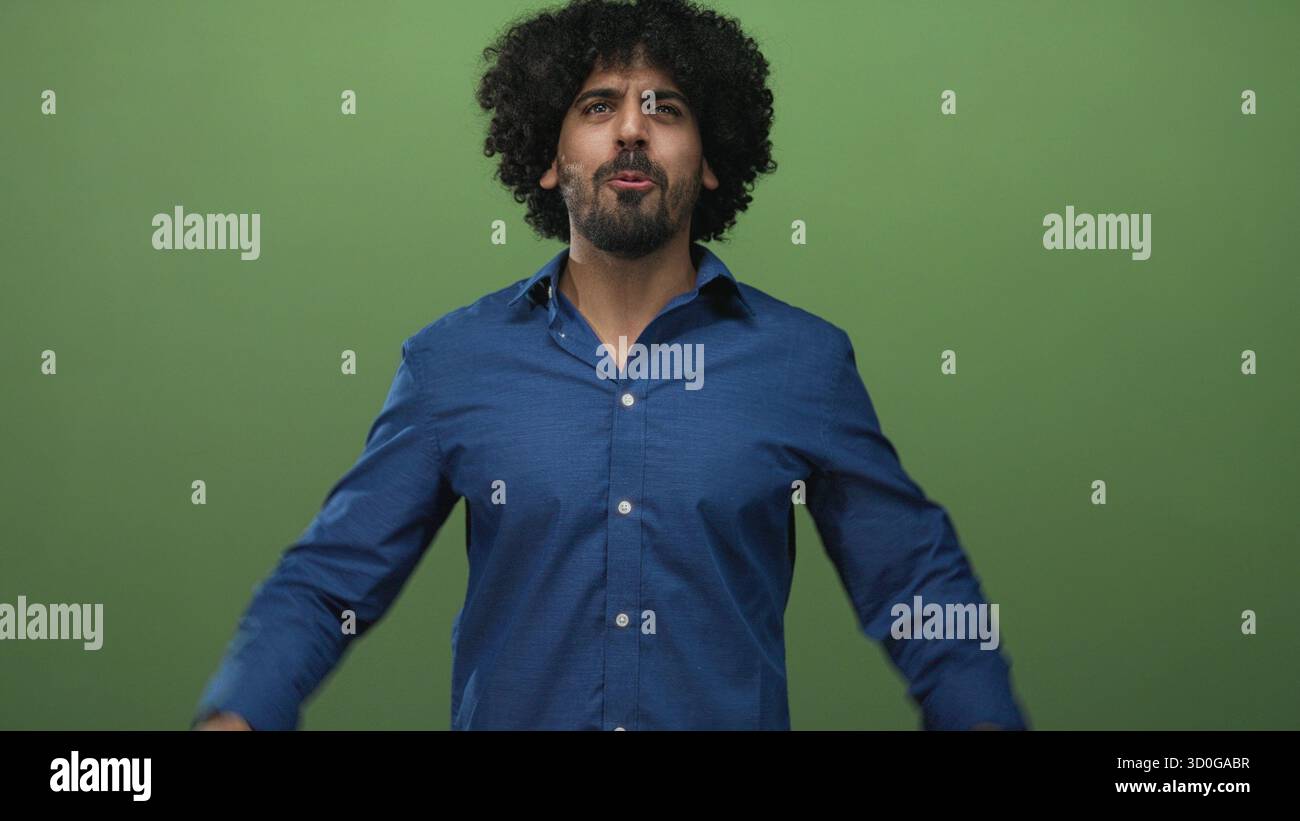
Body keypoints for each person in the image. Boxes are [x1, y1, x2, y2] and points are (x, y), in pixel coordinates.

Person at [194, 0, 1027, 731]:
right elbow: (327, 582)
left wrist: (981, 714)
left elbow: (914, 577)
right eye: (599, 105)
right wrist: (240, 711)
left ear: (707, 161)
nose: (631, 128)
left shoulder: (803, 366)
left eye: (664, 108)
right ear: (550, 158)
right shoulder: (452, 364)